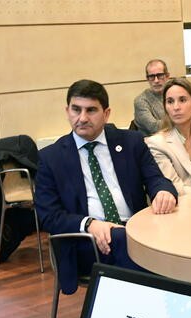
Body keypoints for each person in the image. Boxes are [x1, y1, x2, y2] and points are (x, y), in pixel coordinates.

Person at [35, 80, 177, 296]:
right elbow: (48, 215)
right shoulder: (51, 158)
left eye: (91, 110)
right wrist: (89, 224)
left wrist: (163, 192)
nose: (82, 118)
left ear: (106, 113)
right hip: (85, 242)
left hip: (137, 229)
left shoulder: (131, 142)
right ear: (67, 111)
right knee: (128, 242)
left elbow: (157, 179)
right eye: (76, 110)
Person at [133, 59, 169, 135]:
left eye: (160, 75)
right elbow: (154, 127)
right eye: (152, 76)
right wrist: (180, 119)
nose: (156, 80)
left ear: (167, 76)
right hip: (153, 140)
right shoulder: (141, 101)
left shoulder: (173, 95)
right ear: (147, 79)